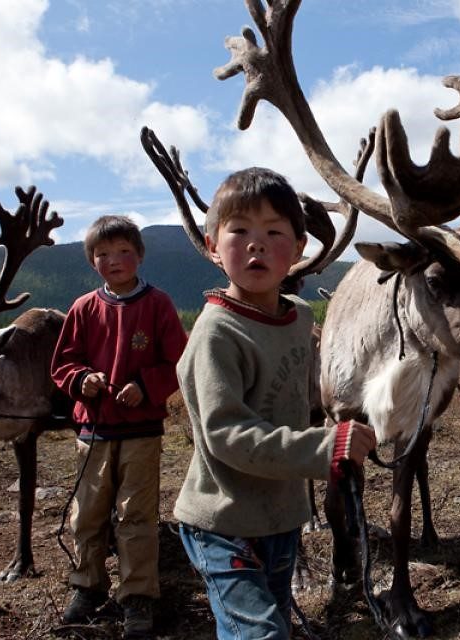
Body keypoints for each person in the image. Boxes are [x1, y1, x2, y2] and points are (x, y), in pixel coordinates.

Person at [173, 167, 377, 639]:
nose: (255, 244)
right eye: (239, 230)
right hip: (223, 521)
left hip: (280, 516)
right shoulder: (216, 334)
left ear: (300, 249)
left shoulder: (299, 319)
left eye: (273, 232)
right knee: (260, 633)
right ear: (211, 246)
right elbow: (227, 435)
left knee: (274, 621)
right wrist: (323, 449)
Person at [51, 214, 187, 639]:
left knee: (136, 517)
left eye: (124, 251)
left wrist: (146, 387)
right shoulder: (83, 309)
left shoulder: (158, 304)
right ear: (93, 261)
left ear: (140, 256)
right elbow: (62, 365)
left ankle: (138, 599)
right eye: (104, 253)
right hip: (93, 432)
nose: (115, 260)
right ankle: (88, 587)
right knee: (87, 515)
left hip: (141, 433)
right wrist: (81, 380)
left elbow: (177, 362)